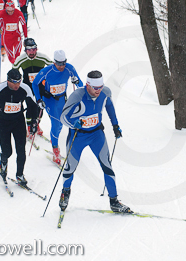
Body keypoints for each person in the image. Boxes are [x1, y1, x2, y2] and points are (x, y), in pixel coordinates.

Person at [59, 70, 130, 213]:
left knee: (107, 166)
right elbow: (63, 117)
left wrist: (115, 125)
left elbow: (109, 106)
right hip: (77, 136)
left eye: (101, 87)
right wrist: (74, 123)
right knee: (70, 167)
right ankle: (65, 192)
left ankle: (114, 201)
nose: (98, 91)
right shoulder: (77, 95)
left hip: (97, 134)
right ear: (87, 85)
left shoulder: (105, 92)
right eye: (95, 88)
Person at [0, 69, 38, 186]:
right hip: (3, 123)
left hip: (18, 122)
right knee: (8, 151)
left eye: (19, 82)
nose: (17, 85)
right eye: (14, 82)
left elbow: (33, 106)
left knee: (21, 150)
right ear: (8, 80)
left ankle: (20, 175)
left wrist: (33, 122)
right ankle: (3, 163)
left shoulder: (25, 88)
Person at [31, 50, 83, 165]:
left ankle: (56, 141)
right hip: (50, 100)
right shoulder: (47, 71)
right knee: (56, 123)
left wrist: (77, 81)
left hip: (62, 99)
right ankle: (55, 150)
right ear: (54, 62)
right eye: (59, 63)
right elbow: (34, 83)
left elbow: (80, 85)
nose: (62, 66)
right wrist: (39, 99)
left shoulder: (69, 68)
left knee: (63, 123)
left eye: (64, 63)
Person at [12, 38, 52, 138]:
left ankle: (37, 123)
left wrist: (48, 79)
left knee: (40, 106)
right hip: (27, 86)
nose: (32, 52)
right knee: (30, 105)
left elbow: (53, 68)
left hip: (40, 86)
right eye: (29, 50)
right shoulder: (20, 59)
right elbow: (13, 72)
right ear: (25, 50)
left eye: (34, 49)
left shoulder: (42, 57)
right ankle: (29, 125)